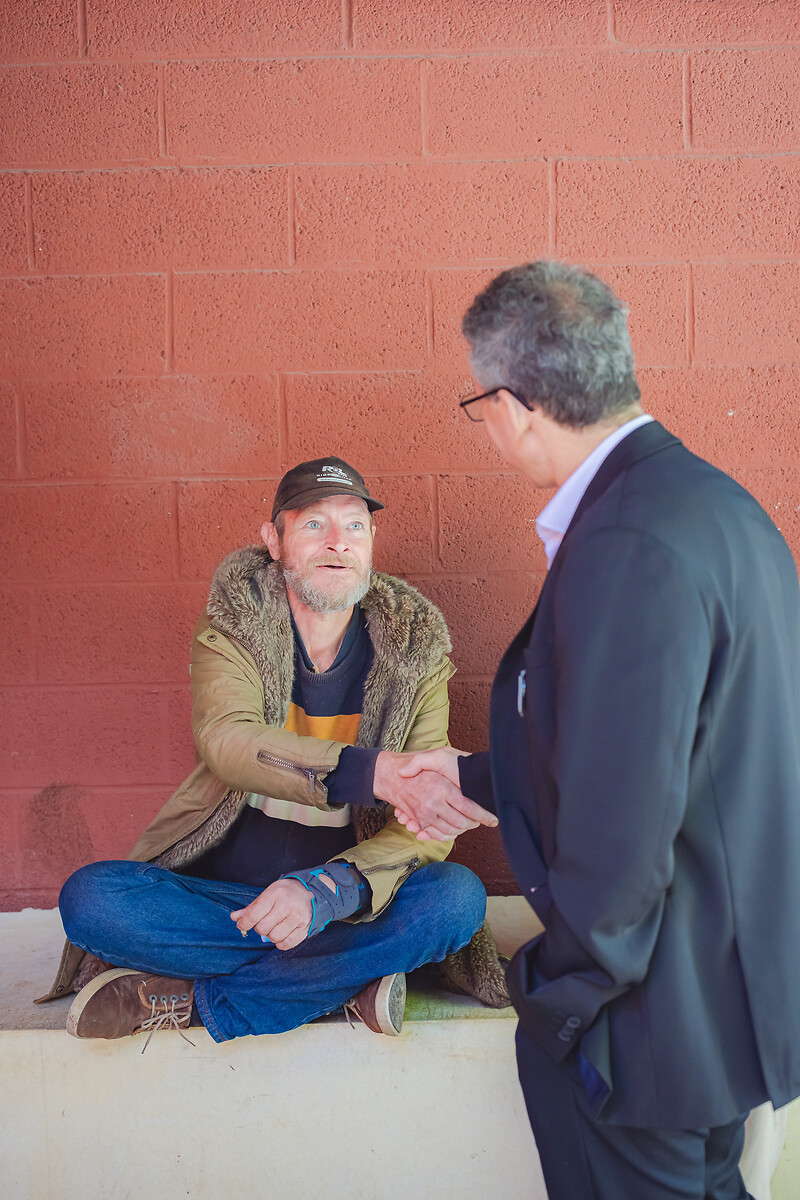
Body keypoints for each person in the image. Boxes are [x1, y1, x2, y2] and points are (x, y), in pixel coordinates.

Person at [395, 262, 800, 1198]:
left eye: (481, 407)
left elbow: (625, 820)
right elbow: (674, 748)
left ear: (514, 406)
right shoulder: (715, 504)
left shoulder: (624, 543)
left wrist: (566, 996)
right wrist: (475, 776)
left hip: (648, 1023)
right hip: (719, 994)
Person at [37, 457, 505, 1045]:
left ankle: (196, 1002)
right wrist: (377, 773)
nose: (337, 542)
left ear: (371, 539)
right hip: (227, 904)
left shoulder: (417, 657)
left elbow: (426, 829)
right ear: (274, 540)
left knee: (454, 899)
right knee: (91, 900)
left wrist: (326, 891)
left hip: (344, 900)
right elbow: (227, 741)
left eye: (354, 525)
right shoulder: (233, 629)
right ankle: (342, 979)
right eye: (313, 524)